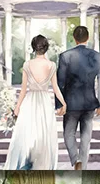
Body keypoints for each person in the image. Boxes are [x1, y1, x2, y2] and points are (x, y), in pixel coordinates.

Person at [4, 34, 66, 171]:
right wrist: (63, 103)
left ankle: (25, 164)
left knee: (27, 133)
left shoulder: (27, 64)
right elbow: (55, 88)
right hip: (44, 102)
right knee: (43, 135)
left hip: (30, 101)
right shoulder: (51, 65)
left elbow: (23, 89)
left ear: (34, 48)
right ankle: (42, 166)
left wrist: (17, 107)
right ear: (46, 48)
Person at [57, 25, 100, 170]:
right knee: (86, 136)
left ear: (74, 39)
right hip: (90, 101)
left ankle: (75, 159)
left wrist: (59, 104)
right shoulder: (97, 56)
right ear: (88, 38)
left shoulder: (65, 56)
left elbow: (60, 82)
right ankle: (83, 167)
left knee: (68, 134)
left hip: (71, 102)